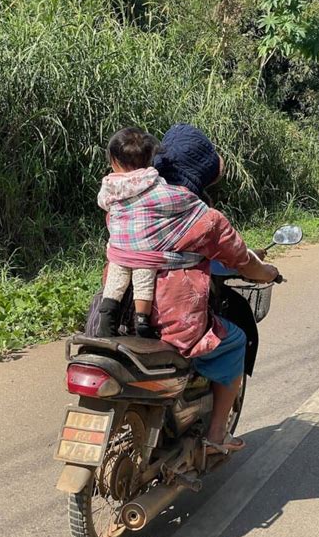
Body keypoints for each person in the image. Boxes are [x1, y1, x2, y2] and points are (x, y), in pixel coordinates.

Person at [150, 124, 278, 453]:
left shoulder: (133, 202)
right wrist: (267, 273)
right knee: (234, 340)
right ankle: (217, 434)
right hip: (174, 314)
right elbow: (243, 261)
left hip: (122, 310)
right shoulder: (205, 218)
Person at [96, 127, 212, 339]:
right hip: (146, 252)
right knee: (144, 282)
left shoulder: (110, 185)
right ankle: (141, 321)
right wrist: (196, 205)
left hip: (119, 250)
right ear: (150, 159)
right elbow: (171, 200)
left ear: (113, 160)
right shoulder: (154, 181)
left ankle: (105, 318)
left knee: (115, 280)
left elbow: (104, 204)